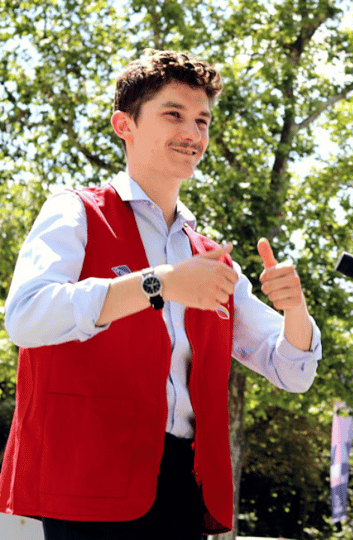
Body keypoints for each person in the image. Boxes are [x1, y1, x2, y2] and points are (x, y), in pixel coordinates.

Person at [0, 50, 321, 539]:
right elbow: (26, 316)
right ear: (124, 125)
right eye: (174, 114)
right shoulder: (75, 211)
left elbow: (291, 370)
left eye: (202, 121)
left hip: (184, 490)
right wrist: (159, 283)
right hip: (88, 484)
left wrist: (295, 309)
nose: (192, 134)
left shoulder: (213, 259)